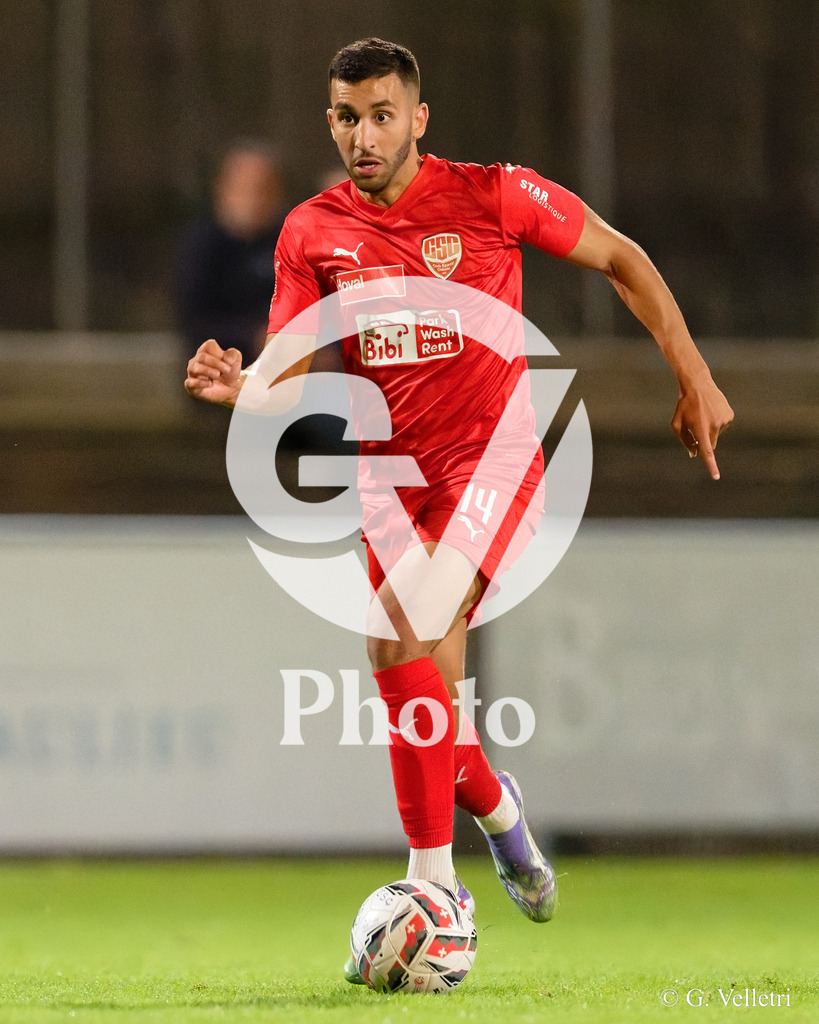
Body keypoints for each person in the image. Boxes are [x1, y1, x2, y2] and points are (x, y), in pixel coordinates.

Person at [184, 38, 733, 978]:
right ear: (331, 121)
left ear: (417, 119)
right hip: (388, 482)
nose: (364, 135)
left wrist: (693, 373)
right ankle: (504, 815)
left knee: (392, 635)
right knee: (429, 692)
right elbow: (285, 373)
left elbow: (622, 257)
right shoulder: (310, 232)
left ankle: (432, 888)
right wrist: (241, 388)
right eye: (348, 118)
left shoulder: (493, 196)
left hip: (494, 463)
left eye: (382, 115)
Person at [173, 139, 287, 363]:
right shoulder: (201, 247)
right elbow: (195, 322)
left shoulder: (292, 243)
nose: (253, 200)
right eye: (244, 189)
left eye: (262, 189)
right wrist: (253, 337)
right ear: (222, 190)